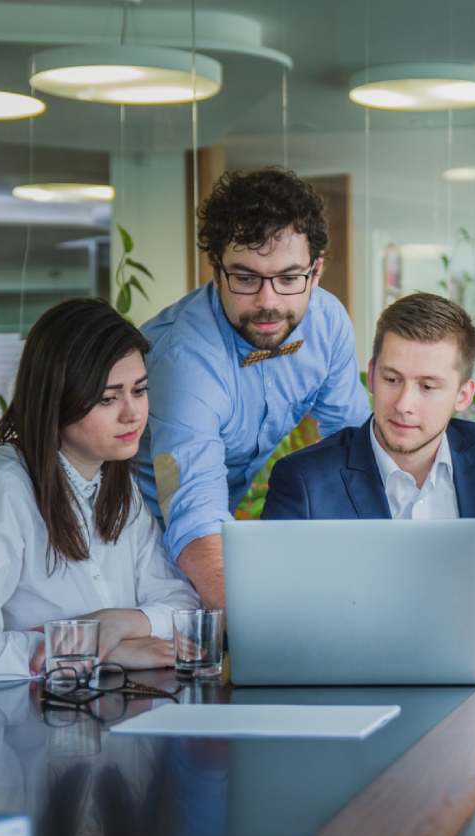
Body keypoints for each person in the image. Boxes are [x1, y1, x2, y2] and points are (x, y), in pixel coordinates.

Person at [263, 293, 475, 655]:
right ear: (372, 374)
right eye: (392, 379)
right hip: (357, 698)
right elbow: (273, 612)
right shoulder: (303, 481)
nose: (405, 404)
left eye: (427, 386)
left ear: (463, 395)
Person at [133, 167, 370, 609]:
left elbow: (353, 450)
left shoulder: (328, 323)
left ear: (315, 272)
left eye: (288, 278)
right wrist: (266, 634)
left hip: (224, 538)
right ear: (216, 270)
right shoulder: (183, 361)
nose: (268, 302)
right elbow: (195, 515)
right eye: (245, 278)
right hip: (139, 545)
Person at [0, 299, 199, 685]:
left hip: (104, 718)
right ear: (58, 398)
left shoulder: (118, 485)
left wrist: (116, 624)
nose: (132, 413)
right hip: (15, 728)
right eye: (107, 398)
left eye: (140, 390)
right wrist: (90, 649)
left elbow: (181, 604)